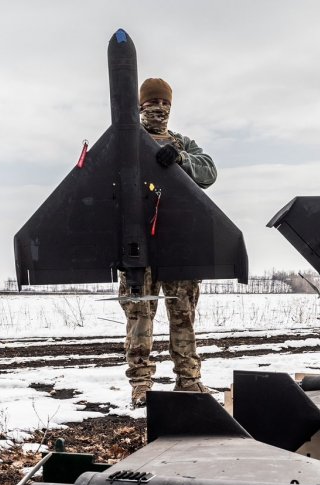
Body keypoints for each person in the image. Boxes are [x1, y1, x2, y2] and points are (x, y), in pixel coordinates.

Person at [119, 77, 217, 407]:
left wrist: (180, 159)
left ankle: (189, 381)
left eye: (164, 103)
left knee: (183, 317)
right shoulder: (125, 140)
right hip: (138, 248)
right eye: (152, 102)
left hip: (179, 247)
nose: (159, 108)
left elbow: (209, 172)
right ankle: (142, 386)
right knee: (139, 318)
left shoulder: (183, 143)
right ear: (139, 106)